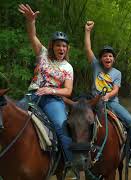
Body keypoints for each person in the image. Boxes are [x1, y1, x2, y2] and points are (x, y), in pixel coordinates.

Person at [18, 4, 74, 165]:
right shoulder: (42, 53)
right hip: (32, 95)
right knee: (9, 117)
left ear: (67, 48)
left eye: (64, 45)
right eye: (58, 45)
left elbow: (68, 90)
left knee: (60, 126)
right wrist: (31, 21)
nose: (61, 48)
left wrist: (52, 90)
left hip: (52, 99)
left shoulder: (67, 67)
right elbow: (32, 36)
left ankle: (70, 164)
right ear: (52, 46)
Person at [84, 21, 131, 167]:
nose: (107, 58)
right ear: (100, 58)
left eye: (110, 56)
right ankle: (77, 156)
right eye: (105, 56)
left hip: (112, 102)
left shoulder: (117, 73)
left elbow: (115, 89)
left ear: (113, 59)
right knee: (78, 121)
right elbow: (88, 49)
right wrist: (88, 31)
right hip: (95, 102)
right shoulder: (96, 65)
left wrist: (108, 96)